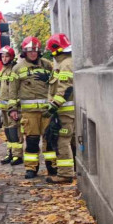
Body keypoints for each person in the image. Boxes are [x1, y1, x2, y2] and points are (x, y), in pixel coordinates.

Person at [6, 37, 55, 179]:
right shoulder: (17, 68)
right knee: (32, 141)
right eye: (29, 51)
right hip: (29, 113)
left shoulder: (47, 66)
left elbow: (56, 84)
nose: (33, 54)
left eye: (35, 51)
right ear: (24, 52)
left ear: (39, 51)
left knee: (50, 140)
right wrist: (13, 109)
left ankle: (52, 166)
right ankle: (31, 168)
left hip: (47, 112)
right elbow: (12, 92)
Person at [44, 33, 76, 184]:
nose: (51, 54)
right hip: (64, 112)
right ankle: (71, 171)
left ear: (57, 50)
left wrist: (52, 107)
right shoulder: (63, 63)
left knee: (62, 142)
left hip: (65, 113)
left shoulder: (66, 64)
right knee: (69, 141)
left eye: (52, 51)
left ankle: (65, 174)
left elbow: (65, 89)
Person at [0, 46, 23, 166]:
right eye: (2, 56)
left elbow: (14, 90)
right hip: (3, 107)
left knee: (14, 131)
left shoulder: (14, 70)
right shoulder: (3, 70)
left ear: (11, 57)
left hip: (13, 107)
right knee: (7, 131)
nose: (4, 58)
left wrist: (15, 107)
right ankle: (10, 153)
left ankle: (18, 155)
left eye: (6, 56)